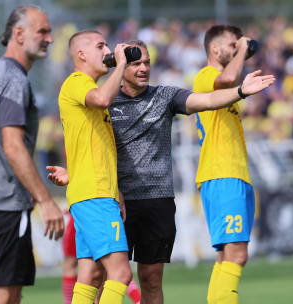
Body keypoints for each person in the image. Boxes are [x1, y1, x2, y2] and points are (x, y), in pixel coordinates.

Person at [49, 39, 274, 304]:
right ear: (122, 68)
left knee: (151, 279)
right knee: (97, 276)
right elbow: (85, 144)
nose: (143, 68)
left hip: (156, 201)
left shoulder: (165, 96)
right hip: (115, 201)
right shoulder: (104, 100)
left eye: (146, 62)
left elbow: (209, 99)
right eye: (135, 63)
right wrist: (73, 172)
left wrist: (240, 91)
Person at [0, 6, 64, 304]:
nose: (50, 38)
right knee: (8, 293)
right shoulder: (15, 80)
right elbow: (12, 146)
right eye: (42, 31)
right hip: (3, 203)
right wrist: (46, 200)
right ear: (18, 34)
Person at [55, 29, 132, 304]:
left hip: (96, 193)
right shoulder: (77, 81)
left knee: (90, 276)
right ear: (81, 54)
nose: (108, 51)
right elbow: (101, 98)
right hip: (94, 195)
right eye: (101, 46)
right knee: (121, 273)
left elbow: (91, 150)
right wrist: (121, 65)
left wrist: (116, 192)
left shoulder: (89, 93)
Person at [192, 24, 260, 303]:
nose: (237, 49)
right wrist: (244, 49)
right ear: (214, 48)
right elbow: (228, 79)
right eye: (232, 45)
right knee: (237, 254)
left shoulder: (223, 83)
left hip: (231, 174)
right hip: (223, 173)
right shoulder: (208, 76)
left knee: (226, 256)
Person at [60, 211, 141, 304]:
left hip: (85, 211)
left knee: (111, 269)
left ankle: (138, 300)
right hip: (96, 209)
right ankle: (138, 300)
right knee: (114, 268)